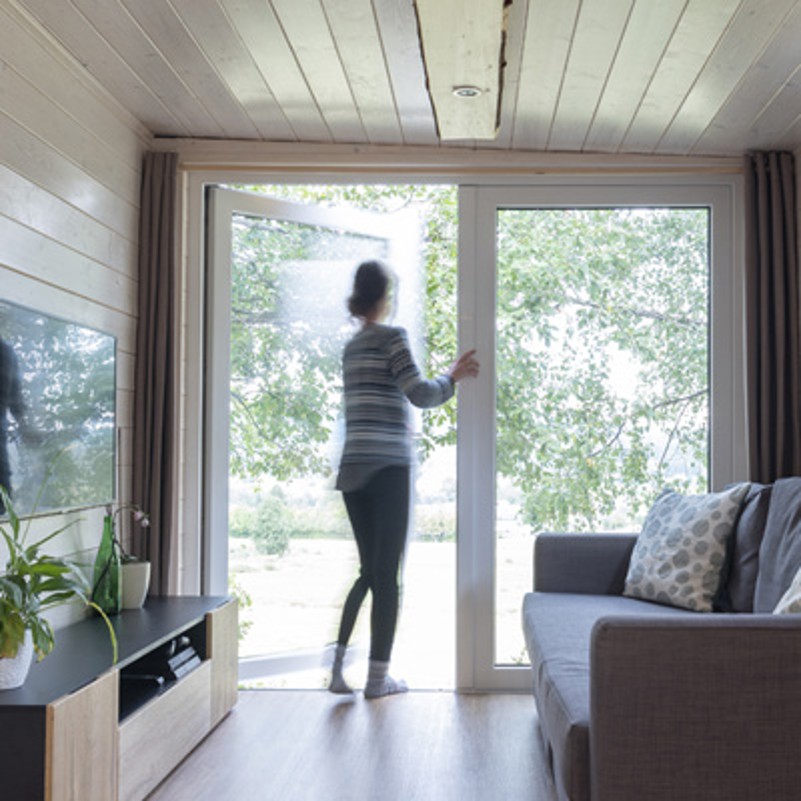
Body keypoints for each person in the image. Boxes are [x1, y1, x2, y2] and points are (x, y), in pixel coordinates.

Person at [330, 260, 479, 698]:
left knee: (368, 572)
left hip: (353, 471)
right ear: (384, 296)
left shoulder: (352, 347)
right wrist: (453, 376)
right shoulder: (392, 338)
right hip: (388, 470)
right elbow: (420, 393)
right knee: (388, 577)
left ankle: (337, 668)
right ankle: (378, 681)